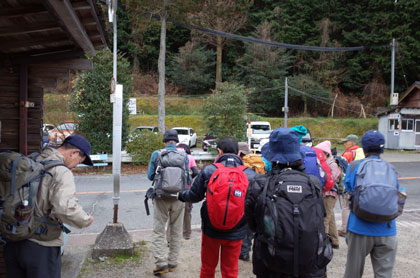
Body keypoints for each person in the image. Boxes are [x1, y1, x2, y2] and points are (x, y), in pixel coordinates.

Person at [4, 135, 94, 278]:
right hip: (41, 246)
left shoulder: (33, 159)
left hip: (14, 240)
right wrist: (85, 220)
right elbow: (65, 208)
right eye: (79, 161)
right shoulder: (61, 171)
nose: (76, 165)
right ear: (74, 153)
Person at [245, 128, 330, 278]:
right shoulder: (314, 183)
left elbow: (252, 225)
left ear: (272, 157)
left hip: (270, 264)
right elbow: (320, 217)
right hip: (310, 265)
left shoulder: (259, 184)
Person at [178, 138, 256, 278]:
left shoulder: (209, 170)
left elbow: (194, 196)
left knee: (208, 268)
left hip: (211, 229)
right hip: (237, 231)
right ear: (238, 153)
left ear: (219, 151)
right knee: (230, 270)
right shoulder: (250, 174)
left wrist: (181, 196)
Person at [343, 130, 399, 278]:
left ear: (364, 147)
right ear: (382, 148)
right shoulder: (390, 169)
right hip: (387, 229)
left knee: (352, 273)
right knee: (384, 275)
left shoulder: (354, 166)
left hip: (359, 228)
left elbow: (348, 188)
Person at [147, 129, 189, 276]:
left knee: (159, 230)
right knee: (176, 230)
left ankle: (160, 263)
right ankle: (172, 262)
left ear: (164, 141)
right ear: (176, 141)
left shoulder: (157, 154)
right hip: (179, 197)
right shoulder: (184, 155)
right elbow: (188, 179)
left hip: (161, 197)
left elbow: (150, 175)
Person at [166, 143, 199, 240]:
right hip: (187, 189)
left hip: (173, 188)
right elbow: (196, 172)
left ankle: (170, 236)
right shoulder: (189, 157)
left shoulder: (172, 156)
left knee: (172, 213)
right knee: (187, 212)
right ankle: (186, 234)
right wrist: (190, 180)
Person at [315, 140, 341, 249]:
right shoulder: (326, 162)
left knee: (325, 217)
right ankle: (335, 241)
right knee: (331, 217)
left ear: (326, 153)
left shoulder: (332, 164)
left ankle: (322, 243)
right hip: (328, 193)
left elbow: (334, 178)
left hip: (330, 194)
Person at [339, 134, 364, 237]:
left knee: (345, 207)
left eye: (347, 141)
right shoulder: (361, 151)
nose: (344, 143)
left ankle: (344, 229)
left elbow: (342, 171)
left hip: (349, 184)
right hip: (361, 184)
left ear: (353, 142)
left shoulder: (347, 154)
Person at [237, 142, 257, 261]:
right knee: (249, 226)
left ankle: (242, 250)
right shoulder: (254, 164)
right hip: (252, 200)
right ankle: (246, 250)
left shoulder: (238, 166)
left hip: (240, 200)